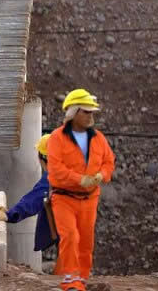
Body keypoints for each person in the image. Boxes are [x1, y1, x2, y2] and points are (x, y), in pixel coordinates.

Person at [47, 89, 116, 291]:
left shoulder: (99, 138)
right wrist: (80, 179)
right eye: (86, 112)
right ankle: (71, 281)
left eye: (91, 112)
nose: (90, 116)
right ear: (74, 113)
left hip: (89, 198)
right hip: (63, 197)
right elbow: (56, 170)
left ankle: (82, 280)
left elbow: (109, 162)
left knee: (86, 241)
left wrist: (101, 175)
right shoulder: (57, 138)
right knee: (70, 237)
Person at [0, 134, 58, 254]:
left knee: (69, 264)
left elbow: (35, 199)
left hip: (67, 231)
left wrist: (10, 214)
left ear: (42, 157)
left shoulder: (54, 178)